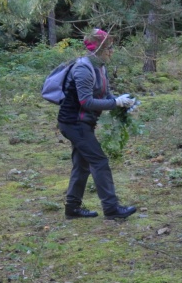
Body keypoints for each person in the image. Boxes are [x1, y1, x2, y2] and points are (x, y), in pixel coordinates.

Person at [57, 28, 137, 220]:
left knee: (81, 164)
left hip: (83, 123)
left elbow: (105, 95)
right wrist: (115, 103)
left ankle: (72, 209)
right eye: (109, 47)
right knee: (99, 161)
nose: (112, 51)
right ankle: (111, 209)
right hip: (74, 123)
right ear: (98, 48)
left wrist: (121, 103)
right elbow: (86, 102)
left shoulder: (100, 67)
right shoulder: (83, 69)